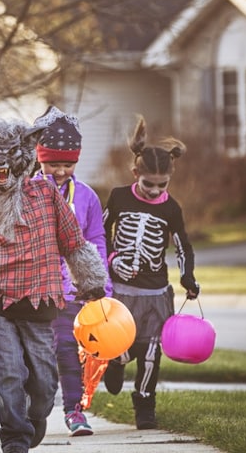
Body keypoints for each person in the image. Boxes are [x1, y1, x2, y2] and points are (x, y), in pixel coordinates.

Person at [0, 113, 108, 453]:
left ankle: (35, 418)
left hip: (40, 299)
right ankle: (14, 439)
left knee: (44, 382)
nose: (1, 167)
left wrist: (91, 282)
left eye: (8, 158)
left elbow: (72, 241)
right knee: (9, 374)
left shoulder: (45, 193)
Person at [101, 115, 201, 430]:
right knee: (121, 345)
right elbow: (100, 234)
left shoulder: (171, 208)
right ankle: (115, 363)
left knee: (151, 351)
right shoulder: (118, 197)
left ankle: (144, 402)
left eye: (162, 185)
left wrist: (188, 278)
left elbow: (183, 245)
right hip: (121, 292)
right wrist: (112, 260)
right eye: (148, 184)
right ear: (135, 173)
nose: (155, 190)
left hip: (155, 293)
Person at [31, 106, 111, 437]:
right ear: (39, 159)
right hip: (32, 290)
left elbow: (96, 240)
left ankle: (74, 411)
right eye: (53, 163)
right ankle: (32, 410)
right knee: (34, 358)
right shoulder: (26, 191)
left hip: (70, 292)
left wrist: (100, 285)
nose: (61, 170)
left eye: (68, 163)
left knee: (67, 350)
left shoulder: (87, 197)